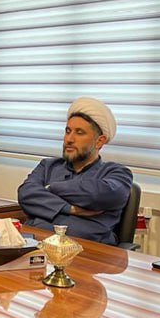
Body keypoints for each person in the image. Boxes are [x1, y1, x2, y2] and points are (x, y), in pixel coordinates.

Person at [17, 97, 133, 245]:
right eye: (68, 131)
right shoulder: (48, 166)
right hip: (36, 246)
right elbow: (25, 194)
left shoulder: (117, 173)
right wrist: (68, 208)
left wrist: (49, 188)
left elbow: (96, 194)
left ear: (99, 141)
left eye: (79, 132)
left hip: (88, 252)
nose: (69, 139)